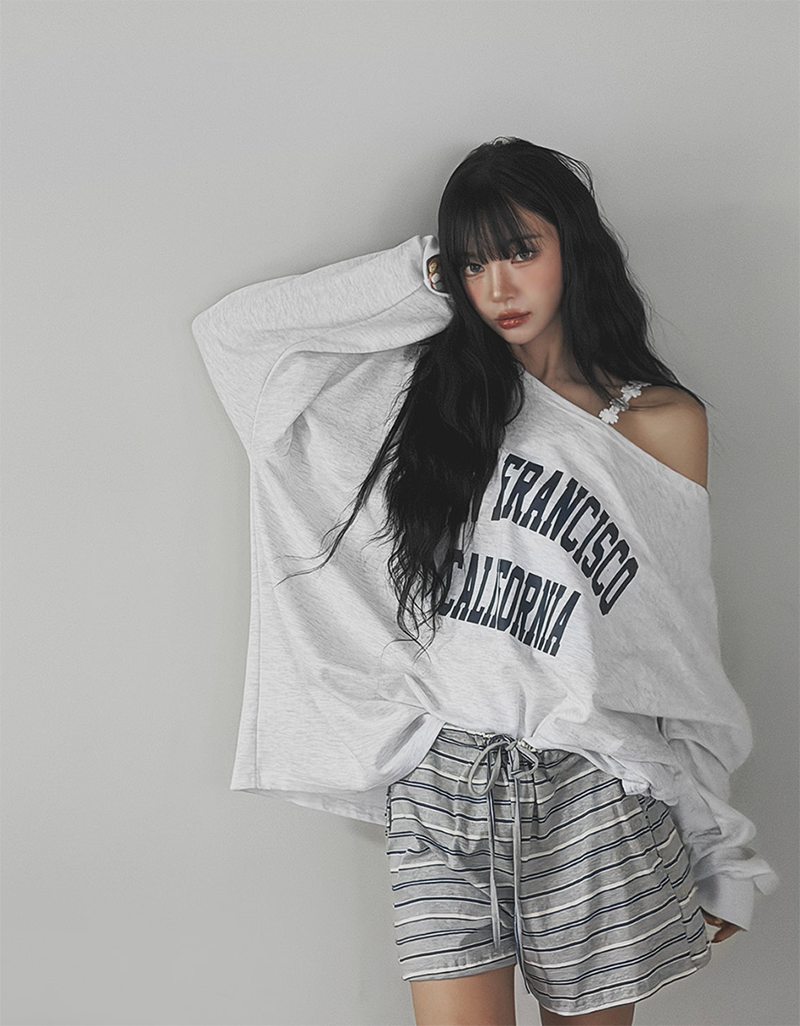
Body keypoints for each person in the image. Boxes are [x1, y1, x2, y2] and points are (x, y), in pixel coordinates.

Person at [192, 138, 778, 1025]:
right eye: (473, 263)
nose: (498, 286)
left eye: (520, 250)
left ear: (572, 247)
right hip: (444, 780)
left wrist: (716, 841)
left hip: (596, 787)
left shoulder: (659, 423)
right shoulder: (416, 402)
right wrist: (422, 273)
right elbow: (233, 339)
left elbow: (677, 654)